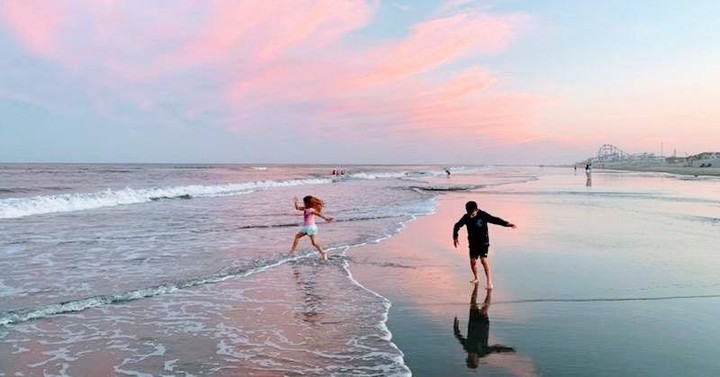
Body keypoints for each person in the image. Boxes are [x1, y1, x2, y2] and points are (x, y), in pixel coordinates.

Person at [453, 201, 516, 287]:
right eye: (469, 214)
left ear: (476, 209)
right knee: (473, 261)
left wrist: (506, 224)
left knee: (483, 260)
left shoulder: (482, 215)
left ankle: (489, 282)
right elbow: (457, 225)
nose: (471, 216)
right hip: (472, 242)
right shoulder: (466, 217)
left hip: (483, 241)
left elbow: (494, 219)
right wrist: (455, 237)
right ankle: (476, 278)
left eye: (472, 214)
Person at [453, 283, 515, 369]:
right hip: (483, 324)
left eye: (470, 357)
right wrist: (508, 350)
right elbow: (496, 349)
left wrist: (455, 325)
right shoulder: (483, 352)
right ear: (477, 360)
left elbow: (458, 336)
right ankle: (489, 292)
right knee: (484, 308)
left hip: (473, 322)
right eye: (473, 358)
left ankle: (476, 286)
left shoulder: (467, 348)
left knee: (473, 302)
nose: (472, 356)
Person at [290, 195, 334, 259]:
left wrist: (326, 218)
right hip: (313, 227)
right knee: (314, 243)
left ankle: (292, 252)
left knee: (297, 237)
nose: (303, 203)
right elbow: (297, 208)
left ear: (307, 203)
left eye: (304, 202)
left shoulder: (309, 210)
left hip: (308, 227)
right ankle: (323, 253)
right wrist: (295, 202)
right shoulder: (307, 209)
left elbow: (318, 214)